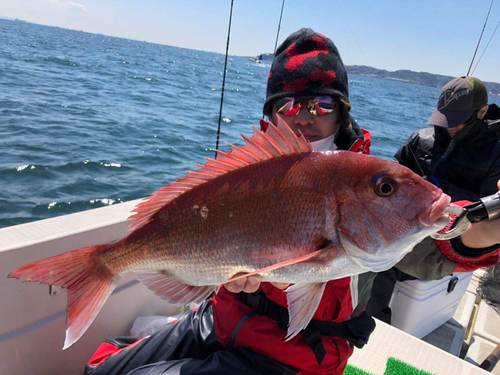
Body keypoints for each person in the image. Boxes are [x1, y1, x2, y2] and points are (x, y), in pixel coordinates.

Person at [85, 29, 500, 375]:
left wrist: (487, 231)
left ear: (342, 112)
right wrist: (218, 273)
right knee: (101, 368)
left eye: (321, 103)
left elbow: (436, 248)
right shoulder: (251, 175)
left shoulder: (371, 180)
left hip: (294, 358)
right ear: (272, 114)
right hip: (219, 319)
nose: (304, 115)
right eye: (288, 104)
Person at [368, 76, 500, 323]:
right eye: (445, 117)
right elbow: (394, 172)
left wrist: (438, 191)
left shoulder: (496, 153)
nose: (448, 127)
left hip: (454, 239)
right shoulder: (422, 138)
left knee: (381, 263)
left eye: (457, 121)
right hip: (405, 225)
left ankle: (375, 328)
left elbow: (489, 207)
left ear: (482, 112)